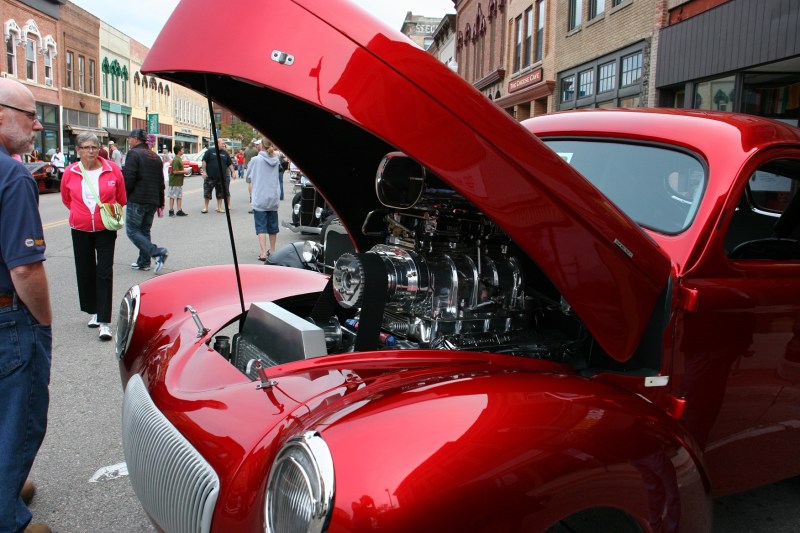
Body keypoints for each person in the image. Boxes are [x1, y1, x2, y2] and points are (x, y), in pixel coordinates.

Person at [0, 78, 53, 533]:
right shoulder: (13, 174)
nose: (37, 124)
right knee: (21, 415)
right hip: (7, 316)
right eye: (29, 114)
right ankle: (6, 517)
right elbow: (26, 270)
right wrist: (44, 320)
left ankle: (8, 485)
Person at [60, 132, 127, 341]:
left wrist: (101, 214)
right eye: (86, 147)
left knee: (104, 272)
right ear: (78, 150)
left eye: (94, 147)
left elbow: (121, 198)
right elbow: (67, 199)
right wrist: (81, 214)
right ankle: (94, 312)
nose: (91, 151)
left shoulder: (112, 169)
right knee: (85, 271)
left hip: (105, 228)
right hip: (80, 228)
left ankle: (104, 322)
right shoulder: (70, 172)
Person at [123, 128, 169, 273]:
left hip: (138, 198)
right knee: (144, 230)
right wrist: (160, 201)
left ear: (136, 139)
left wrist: (125, 194)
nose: (129, 141)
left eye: (130, 138)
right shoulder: (155, 156)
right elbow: (160, 181)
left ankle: (156, 252)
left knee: (132, 231)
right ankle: (144, 262)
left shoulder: (133, 154)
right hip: (153, 199)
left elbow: (129, 178)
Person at [248, 140, 281, 260]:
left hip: (260, 197)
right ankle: (272, 251)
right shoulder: (276, 160)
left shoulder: (255, 160)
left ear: (261, 145)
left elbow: (248, 177)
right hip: (273, 197)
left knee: (261, 226)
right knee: (272, 225)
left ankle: (263, 253)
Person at [201, 138, 234, 213]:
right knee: (207, 192)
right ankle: (205, 207)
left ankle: (219, 207)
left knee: (220, 193)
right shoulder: (210, 151)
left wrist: (233, 172)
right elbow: (204, 161)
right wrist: (204, 172)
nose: (224, 145)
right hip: (210, 177)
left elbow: (230, 163)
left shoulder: (225, 153)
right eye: (222, 143)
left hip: (221, 177)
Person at [168, 145, 190, 217]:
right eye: (182, 150)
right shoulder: (176, 160)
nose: (183, 151)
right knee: (173, 196)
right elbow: (174, 171)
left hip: (179, 182)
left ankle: (179, 210)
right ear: (179, 151)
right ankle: (171, 211)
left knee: (179, 196)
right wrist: (184, 171)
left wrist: (184, 171)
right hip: (175, 182)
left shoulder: (179, 158)